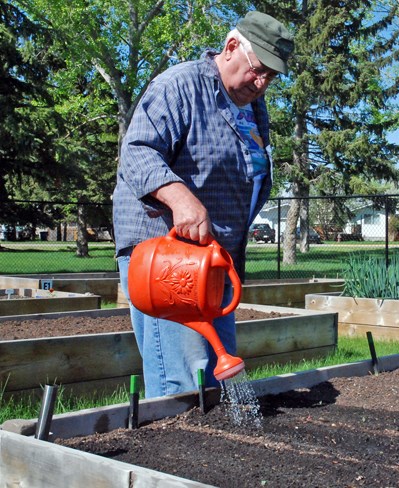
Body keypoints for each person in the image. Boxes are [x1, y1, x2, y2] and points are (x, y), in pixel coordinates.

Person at [113, 11, 294, 398]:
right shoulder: (180, 85)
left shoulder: (252, 106)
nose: (261, 83)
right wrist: (179, 197)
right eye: (258, 70)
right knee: (183, 382)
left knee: (215, 376)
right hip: (167, 258)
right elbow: (137, 151)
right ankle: (167, 459)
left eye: (270, 77)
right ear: (231, 48)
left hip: (214, 261)